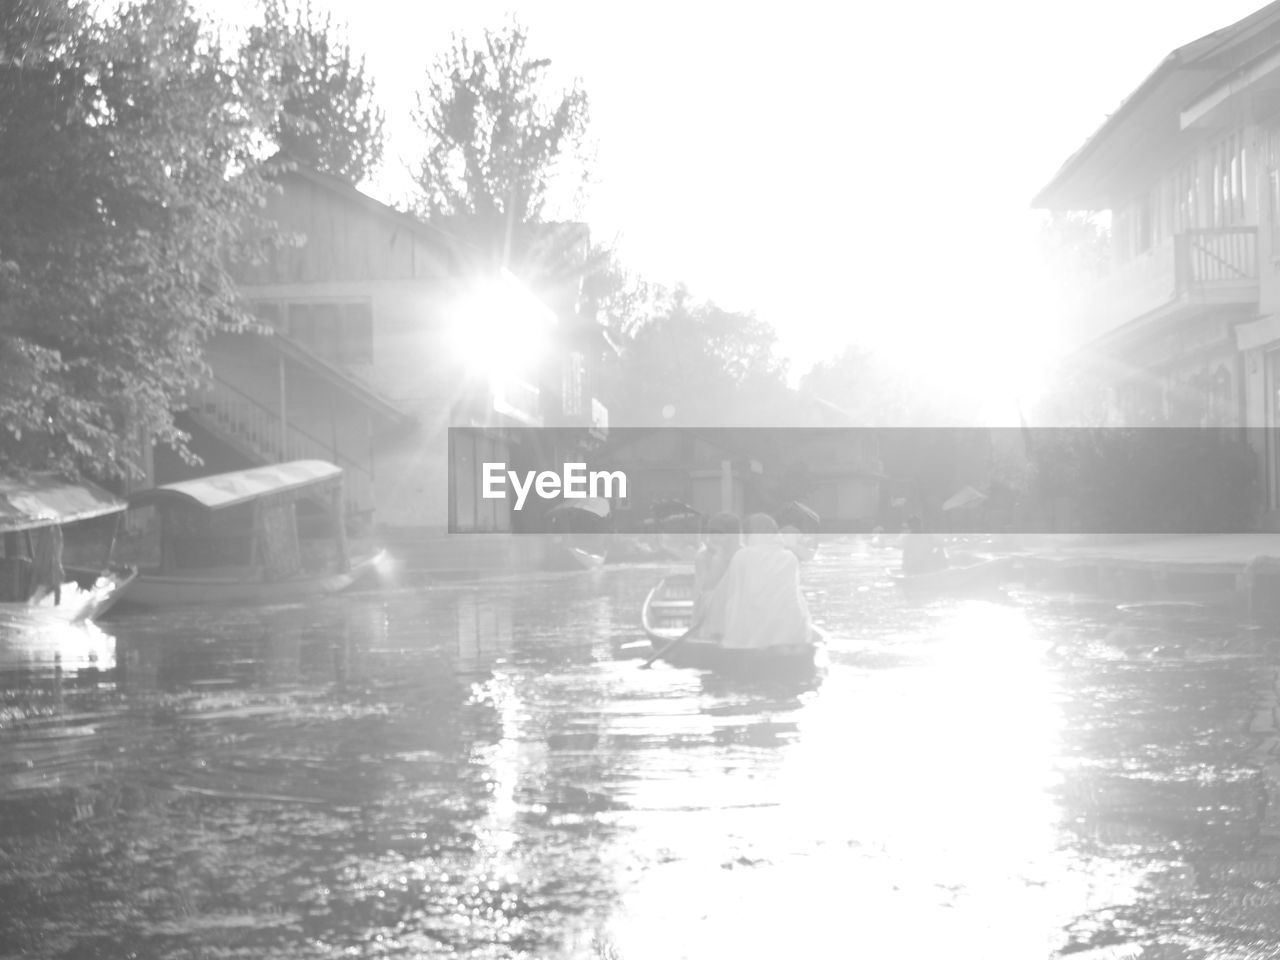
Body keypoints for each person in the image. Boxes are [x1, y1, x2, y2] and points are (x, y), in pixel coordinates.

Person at [718, 513, 811, 650]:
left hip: (758, 632)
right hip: (792, 632)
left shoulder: (742, 556)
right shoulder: (790, 557)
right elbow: (794, 597)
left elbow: (733, 596)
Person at [693, 513, 741, 638]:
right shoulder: (703, 556)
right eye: (712, 532)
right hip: (711, 609)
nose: (713, 537)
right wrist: (718, 559)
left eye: (720, 534)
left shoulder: (744, 554)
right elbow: (706, 588)